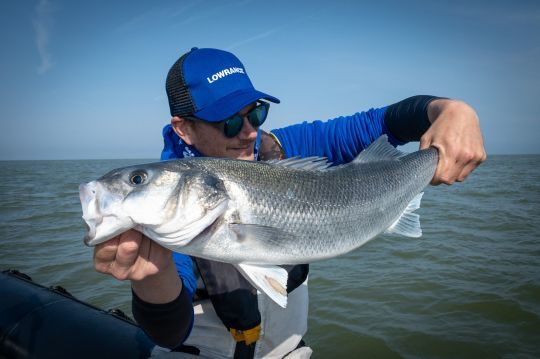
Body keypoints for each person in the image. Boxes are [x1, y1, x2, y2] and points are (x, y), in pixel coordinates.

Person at [93, 47, 486, 358]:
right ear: (185, 128)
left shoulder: (284, 147)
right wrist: (153, 278)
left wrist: (453, 110)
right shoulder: (165, 210)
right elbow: (169, 331)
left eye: (256, 113)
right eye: (229, 121)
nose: (248, 132)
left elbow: (385, 122)